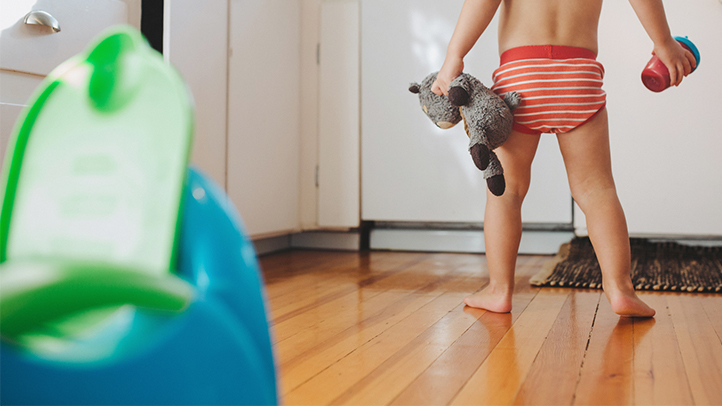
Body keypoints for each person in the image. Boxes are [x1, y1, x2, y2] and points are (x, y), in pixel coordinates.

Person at [432, 0, 696, 318]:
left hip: (521, 77)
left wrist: (453, 56)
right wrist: (663, 42)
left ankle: (499, 290)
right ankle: (621, 289)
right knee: (597, 191)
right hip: (578, 76)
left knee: (506, 192)